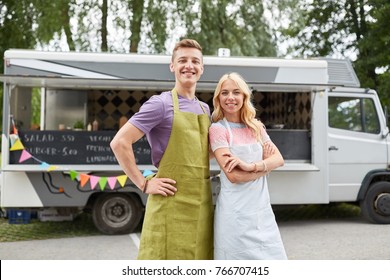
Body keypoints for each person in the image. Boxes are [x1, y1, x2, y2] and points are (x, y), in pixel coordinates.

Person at [110, 39, 213, 260]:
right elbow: (119, 143)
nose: (189, 66)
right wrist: (143, 183)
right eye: (182, 60)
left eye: (195, 61)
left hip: (201, 204)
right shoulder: (160, 104)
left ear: (202, 68)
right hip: (171, 203)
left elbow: (204, 152)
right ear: (172, 66)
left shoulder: (205, 109)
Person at [209, 72, 287, 260]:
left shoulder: (256, 127)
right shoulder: (218, 129)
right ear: (218, 98)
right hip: (235, 214)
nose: (230, 98)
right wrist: (265, 166)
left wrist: (250, 166)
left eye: (236, 92)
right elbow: (234, 177)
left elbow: (279, 159)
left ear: (244, 96)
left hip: (261, 212)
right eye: (224, 93)